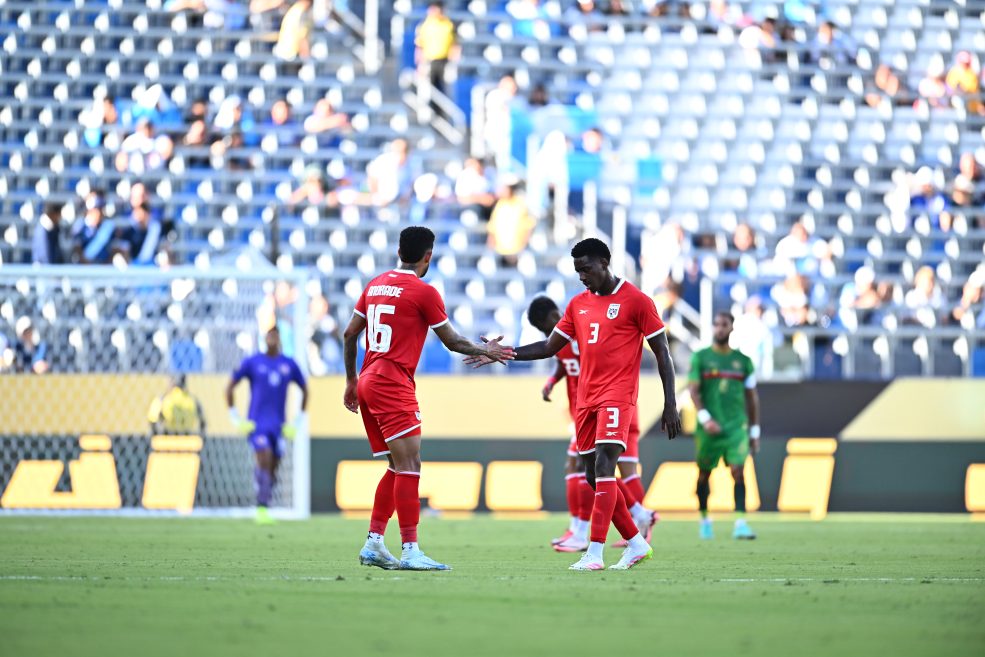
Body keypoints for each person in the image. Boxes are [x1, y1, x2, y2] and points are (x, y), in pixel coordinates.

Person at [469, 238, 681, 571]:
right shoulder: (578, 304)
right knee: (595, 477)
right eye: (577, 271)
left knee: (605, 466)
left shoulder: (637, 301)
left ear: (604, 263)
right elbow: (548, 347)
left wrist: (671, 402)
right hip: (585, 400)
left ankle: (594, 552)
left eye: (586, 269)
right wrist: (504, 352)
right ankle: (636, 543)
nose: (582, 276)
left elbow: (663, 353)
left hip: (617, 395)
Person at [341, 226, 514, 571]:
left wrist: (351, 380)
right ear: (428, 256)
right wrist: (486, 350)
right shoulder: (424, 291)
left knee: (397, 464)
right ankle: (410, 550)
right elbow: (452, 341)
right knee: (410, 464)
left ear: (399, 251)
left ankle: (374, 543)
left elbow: (349, 334)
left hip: (368, 379)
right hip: (392, 382)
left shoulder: (375, 284)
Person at [529, 297, 657, 554]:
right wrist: (552, 381)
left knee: (598, 468)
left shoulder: (585, 331)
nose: (547, 335)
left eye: (545, 328)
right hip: (587, 411)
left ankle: (583, 532)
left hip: (602, 407)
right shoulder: (566, 339)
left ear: (553, 317)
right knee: (593, 469)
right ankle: (633, 518)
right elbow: (563, 361)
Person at [689, 311, 761, 541]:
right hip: (709, 427)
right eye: (716, 324)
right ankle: (704, 519)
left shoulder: (743, 361)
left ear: (731, 328)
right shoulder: (701, 357)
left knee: (738, 471)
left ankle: (740, 523)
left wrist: (754, 431)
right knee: (704, 474)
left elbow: (752, 397)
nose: (719, 328)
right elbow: (693, 390)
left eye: (724, 324)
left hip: (736, 426)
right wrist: (705, 418)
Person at [226, 326, 308, 525]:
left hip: (278, 426)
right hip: (257, 425)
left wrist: (297, 421)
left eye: (275, 335)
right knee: (264, 457)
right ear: (265, 338)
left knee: (272, 468)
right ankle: (261, 507)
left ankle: (264, 497)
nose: (272, 338)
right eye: (269, 335)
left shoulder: (288, 364)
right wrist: (236, 418)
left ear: (280, 338)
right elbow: (230, 387)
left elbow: (305, 389)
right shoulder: (253, 362)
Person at [414, 2, 457, 108]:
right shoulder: (424, 25)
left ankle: (443, 113)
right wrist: (419, 64)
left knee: (444, 88)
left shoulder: (449, 24)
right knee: (429, 89)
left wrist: (453, 62)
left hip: (444, 61)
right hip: (429, 61)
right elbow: (420, 46)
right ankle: (430, 111)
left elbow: (455, 44)